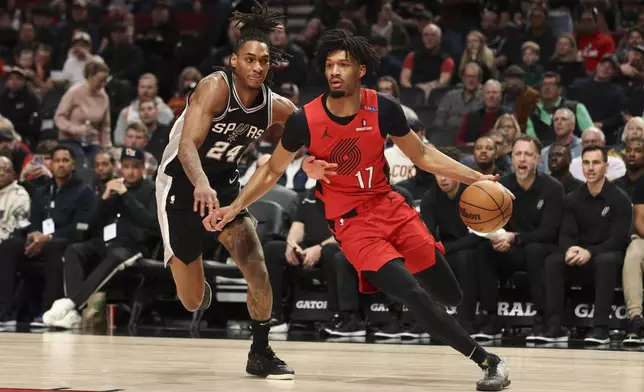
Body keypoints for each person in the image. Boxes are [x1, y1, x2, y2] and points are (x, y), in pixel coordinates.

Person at [207, 29, 511, 391]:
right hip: (352, 225)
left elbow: (424, 155)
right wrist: (236, 206)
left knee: (449, 294)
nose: (334, 71)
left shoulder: (383, 107)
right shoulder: (305, 120)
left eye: (344, 65)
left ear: (361, 70)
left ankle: (435, 310)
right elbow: (272, 169)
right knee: (411, 293)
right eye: (330, 65)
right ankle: (488, 361)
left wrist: (478, 177)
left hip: (390, 206)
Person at [155, 2, 296, 379]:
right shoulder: (213, 88)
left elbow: (303, 135)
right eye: (249, 59)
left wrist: (310, 158)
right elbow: (187, 147)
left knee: (257, 268)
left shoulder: (276, 107)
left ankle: (260, 351)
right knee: (193, 300)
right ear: (234, 60)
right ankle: (197, 283)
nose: (256, 67)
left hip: (225, 188)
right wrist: (201, 183)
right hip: (181, 186)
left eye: (263, 61)